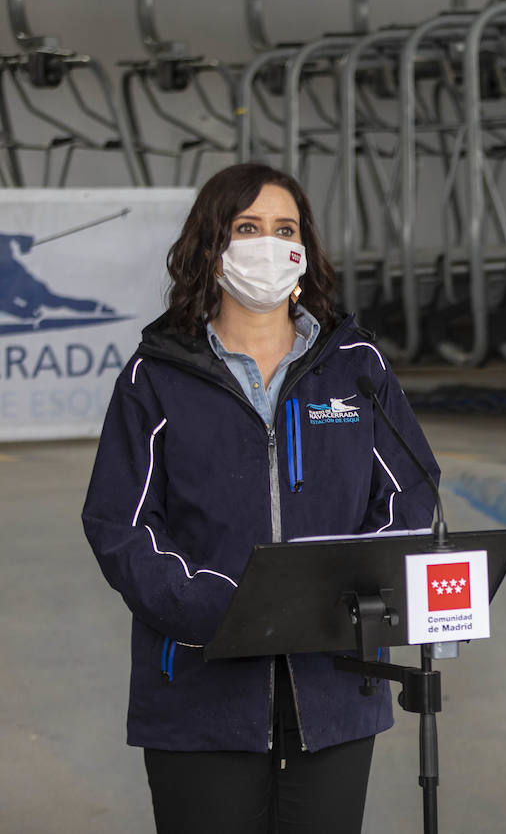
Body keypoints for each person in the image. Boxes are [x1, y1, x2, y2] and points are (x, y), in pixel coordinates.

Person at [82, 163, 440, 834]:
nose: (268, 246)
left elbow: (411, 490)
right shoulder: (155, 376)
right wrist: (224, 610)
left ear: (306, 252)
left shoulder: (356, 365)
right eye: (247, 228)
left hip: (336, 678)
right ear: (211, 248)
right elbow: (119, 525)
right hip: (199, 686)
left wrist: (340, 595)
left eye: (286, 229)